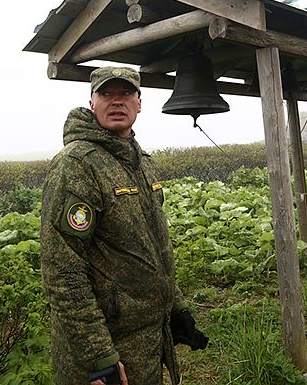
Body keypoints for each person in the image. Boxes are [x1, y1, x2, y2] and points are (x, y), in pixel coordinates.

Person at [40, 66, 208, 385]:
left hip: (146, 339)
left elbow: (154, 250)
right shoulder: (76, 165)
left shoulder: (141, 161)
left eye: (126, 93)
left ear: (139, 103)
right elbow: (62, 270)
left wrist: (176, 308)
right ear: (92, 103)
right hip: (109, 345)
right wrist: (97, 357)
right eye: (106, 94)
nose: (116, 101)